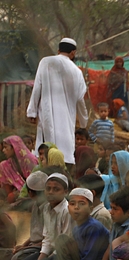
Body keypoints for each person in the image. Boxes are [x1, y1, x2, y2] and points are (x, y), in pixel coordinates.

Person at [26, 38, 88, 167]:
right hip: (66, 119)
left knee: (46, 149)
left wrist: (32, 111)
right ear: (73, 53)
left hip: (47, 114)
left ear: (58, 50)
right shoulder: (77, 72)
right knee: (64, 152)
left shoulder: (46, 62)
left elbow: (37, 86)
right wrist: (83, 121)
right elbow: (80, 99)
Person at [52, 188, 109, 260]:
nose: (76, 207)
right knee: (61, 239)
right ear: (68, 207)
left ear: (91, 208)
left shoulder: (93, 226)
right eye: (72, 204)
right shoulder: (77, 226)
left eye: (82, 204)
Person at [21, 173, 74, 260]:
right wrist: (42, 259)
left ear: (65, 192)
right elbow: (47, 237)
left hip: (62, 253)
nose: (51, 192)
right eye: (48, 189)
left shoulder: (66, 211)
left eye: (56, 189)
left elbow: (65, 242)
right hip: (51, 250)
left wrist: (48, 259)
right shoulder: (46, 208)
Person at [10, 171, 48, 260]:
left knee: (17, 259)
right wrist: (23, 245)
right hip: (33, 245)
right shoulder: (35, 205)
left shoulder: (48, 208)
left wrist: (25, 248)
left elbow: (48, 240)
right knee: (10, 252)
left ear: (30, 193)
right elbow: (36, 232)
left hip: (43, 247)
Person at [0, 135, 38, 203]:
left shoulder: (29, 160)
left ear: (14, 147)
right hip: (18, 194)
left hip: (34, 193)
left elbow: (36, 182)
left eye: (5, 147)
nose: (3, 150)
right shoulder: (8, 164)